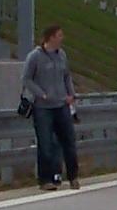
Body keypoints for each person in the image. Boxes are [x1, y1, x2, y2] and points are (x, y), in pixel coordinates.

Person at [21, 24, 80, 190]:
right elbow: (26, 78)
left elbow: (66, 76)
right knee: (45, 143)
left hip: (61, 104)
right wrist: (41, 94)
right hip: (43, 107)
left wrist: (71, 94)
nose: (62, 38)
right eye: (59, 35)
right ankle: (45, 179)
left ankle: (73, 176)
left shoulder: (62, 55)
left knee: (69, 141)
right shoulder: (35, 56)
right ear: (51, 37)